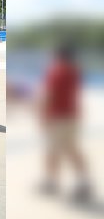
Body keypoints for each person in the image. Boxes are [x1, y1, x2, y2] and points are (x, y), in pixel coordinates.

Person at [38, 43, 91, 202]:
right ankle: (83, 181)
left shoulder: (56, 71)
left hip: (57, 117)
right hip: (72, 115)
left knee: (52, 151)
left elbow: (49, 95)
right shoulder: (75, 71)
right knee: (72, 149)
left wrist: (43, 115)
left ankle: (51, 182)